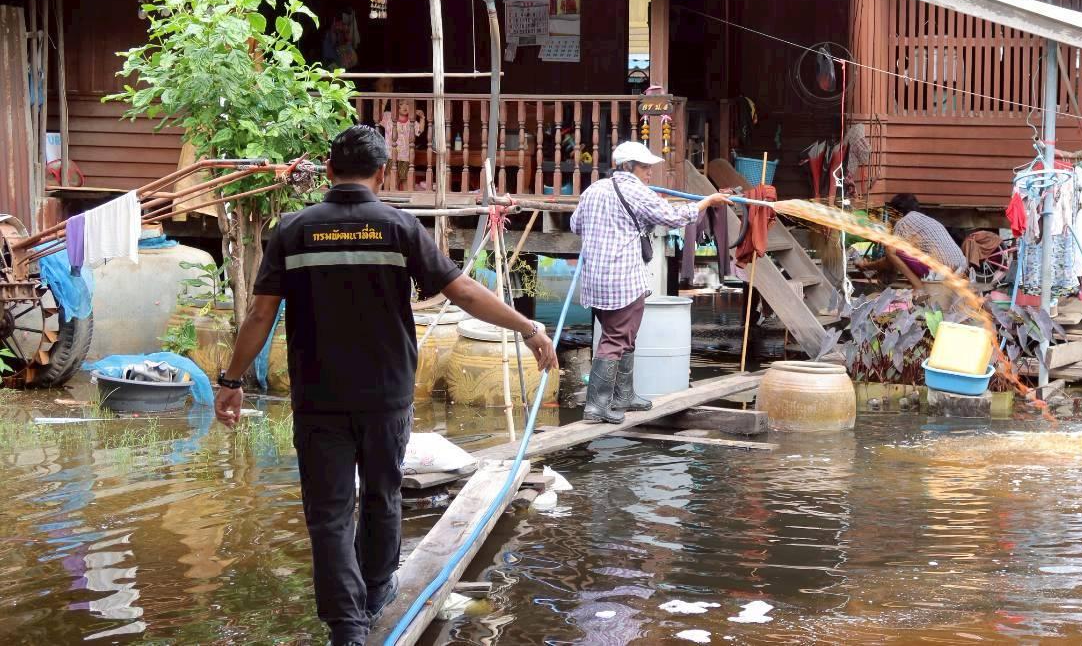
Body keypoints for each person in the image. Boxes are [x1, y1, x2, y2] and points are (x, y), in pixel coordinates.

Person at [213, 125, 555, 646]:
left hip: (319, 396)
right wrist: (528, 327)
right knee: (381, 495)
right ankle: (376, 593)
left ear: (328, 171)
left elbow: (261, 312)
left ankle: (347, 628)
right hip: (386, 393)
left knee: (327, 514)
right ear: (382, 174)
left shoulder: (293, 228)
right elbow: (462, 291)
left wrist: (232, 380)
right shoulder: (399, 227)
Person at [570, 141, 731, 424]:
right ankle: (596, 406)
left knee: (623, 336)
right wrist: (708, 201)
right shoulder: (636, 191)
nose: (649, 173)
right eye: (644, 167)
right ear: (627, 167)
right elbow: (673, 217)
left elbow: (575, 225)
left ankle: (624, 396)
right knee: (616, 338)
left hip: (596, 279)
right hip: (623, 279)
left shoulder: (593, 190)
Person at [859, 193, 968, 291]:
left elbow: (889, 262)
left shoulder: (903, 223)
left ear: (897, 211)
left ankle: (918, 287)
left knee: (890, 250)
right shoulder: (927, 220)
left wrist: (867, 266)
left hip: (943, 270)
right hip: (961, 268)